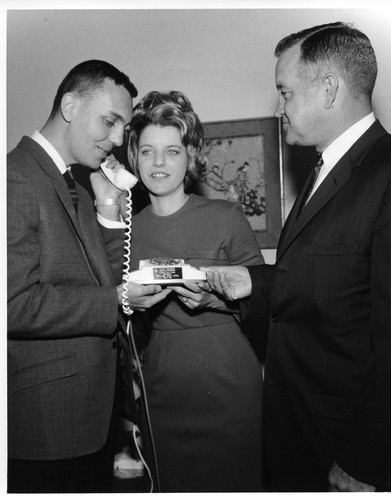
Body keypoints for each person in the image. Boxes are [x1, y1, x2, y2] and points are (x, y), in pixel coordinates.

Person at [203, 22, 391, 492]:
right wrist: (255, 283)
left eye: (285, 93)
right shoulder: (322, 170)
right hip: (297, 434)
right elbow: (337, 285)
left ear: (328, 90)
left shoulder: (387, 176)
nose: (279, 108)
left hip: (344, 449)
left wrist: (363, 463)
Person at [7, 59, 171, 493]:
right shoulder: (15, 178)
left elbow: (95, 277)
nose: (118, 139)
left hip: (87, 421)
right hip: (46, 428)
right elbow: (12, 303)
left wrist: (110, 209)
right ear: (69, 105)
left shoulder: (74, 186)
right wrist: (117, 299)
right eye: (111, 121)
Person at [127, 90, 265, 492]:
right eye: (148, 151)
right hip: (162, 388)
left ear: (190, 156)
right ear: (134, 156)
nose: (158, 163)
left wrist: (213, 298)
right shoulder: (127, 232)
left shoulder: (226, 217)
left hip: (229, 386)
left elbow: (265, 301)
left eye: (172, 151)